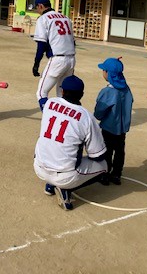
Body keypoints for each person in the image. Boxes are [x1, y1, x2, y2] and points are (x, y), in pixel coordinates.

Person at [34, 75, 107, 210]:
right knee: (104, 165)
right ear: (82, 95)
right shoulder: (86, 117)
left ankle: (50, 185)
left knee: (53, 147)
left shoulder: (50, 103)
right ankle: (65, 189)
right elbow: (97, 155)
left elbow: (43, 99)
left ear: (62, 91)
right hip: (64, 176)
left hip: (39, 167)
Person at [32, 0, 75, 111]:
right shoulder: (65, 18)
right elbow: (73, 41)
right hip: (71, 59)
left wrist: (36, 64)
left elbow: (41, 45)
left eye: (37, 7)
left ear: (41, 6)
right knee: (63, 95)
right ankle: (64, 118)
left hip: (57, 60)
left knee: (41, 93)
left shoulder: (43, 19)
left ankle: (48, 117)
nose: (37, 10)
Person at [94, 57, 133, 185]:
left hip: (108, 128)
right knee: (120, 151)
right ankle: (116, 174)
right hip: (122, 128)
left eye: (104, 70)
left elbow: (98, 113)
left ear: (108, 73)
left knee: (107, 151)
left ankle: (104, 174)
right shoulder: (126, 89)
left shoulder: (107, 91)